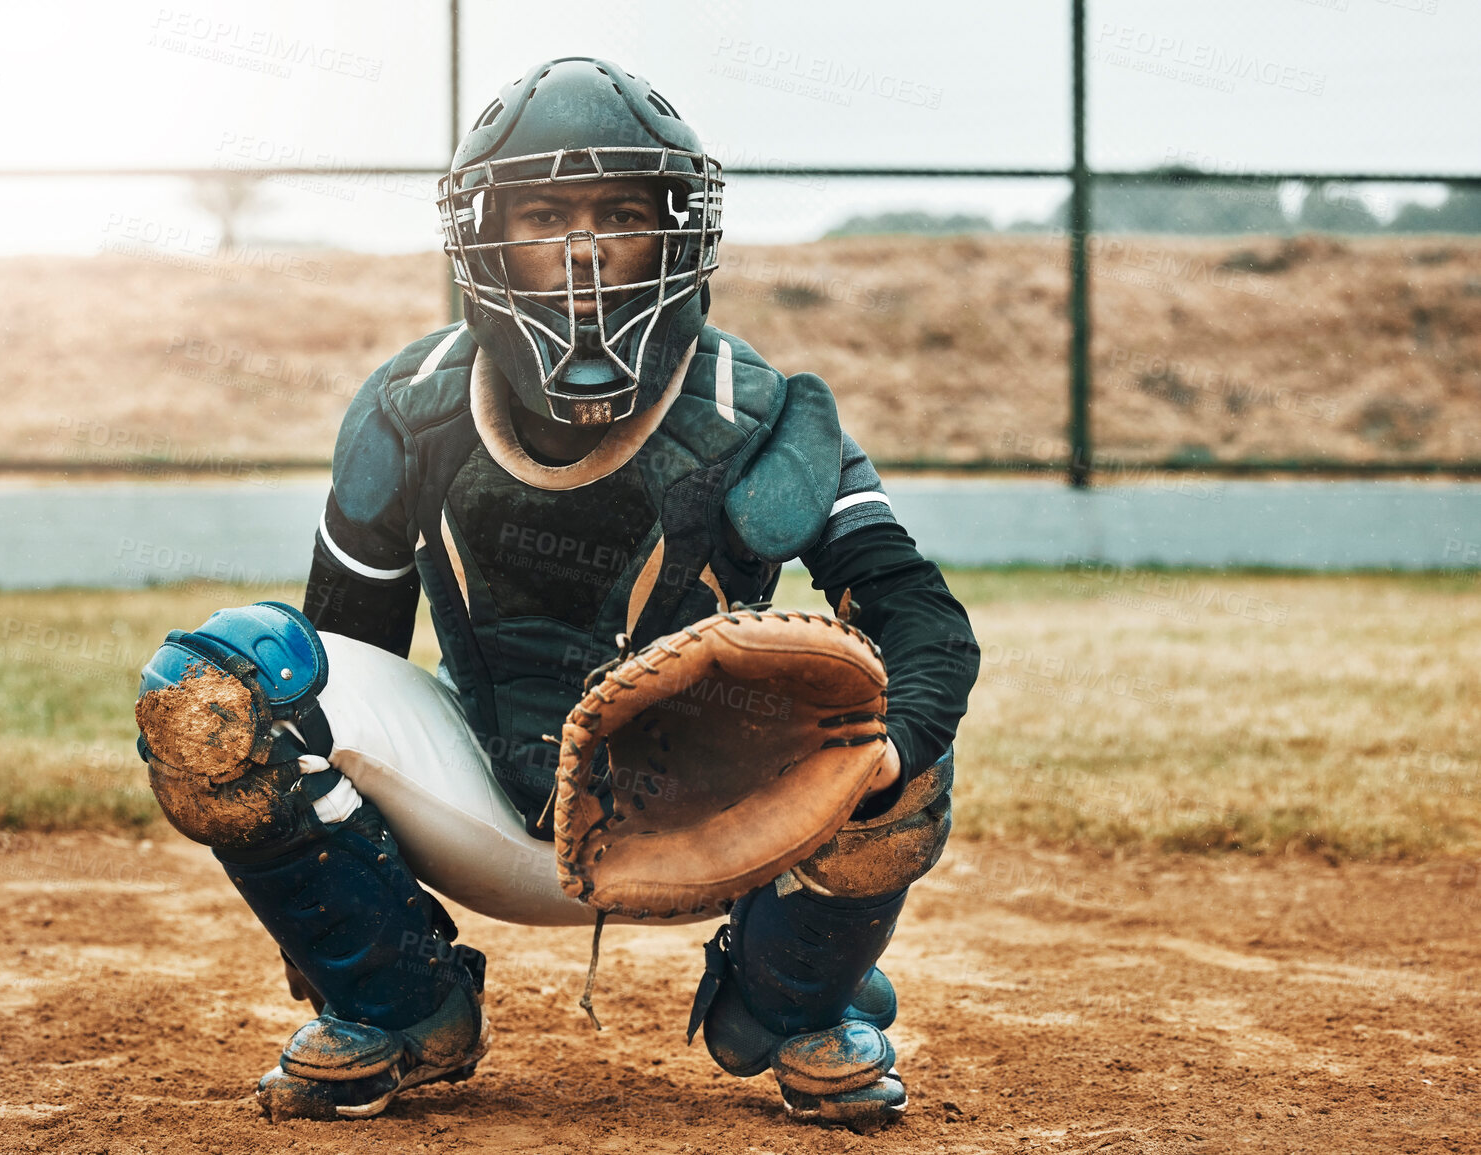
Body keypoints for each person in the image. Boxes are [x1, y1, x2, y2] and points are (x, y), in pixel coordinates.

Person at [134, 57, 979, 1132]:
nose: (582, 254)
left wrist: (879, 760)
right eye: (544, 214)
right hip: (481, 809)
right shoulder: (412, 410)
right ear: (485, 236)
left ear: (680, 232)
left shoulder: (756, 413)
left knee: (890, 707)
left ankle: (797, 996)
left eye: (620, 213)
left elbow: (926, 624)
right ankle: (396, 1000)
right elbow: (347, 666)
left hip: (715, 820)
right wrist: (332, 890)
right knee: (221, 691)